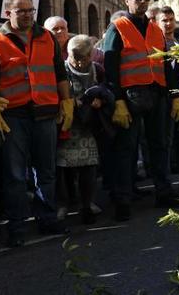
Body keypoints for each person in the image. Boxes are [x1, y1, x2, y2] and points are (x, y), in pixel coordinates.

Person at [0, 0, 74, 247]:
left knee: (46, 171)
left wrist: (67, 102)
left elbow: (59, 72)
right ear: (7, 13)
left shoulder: (47, 37)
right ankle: (17, 226)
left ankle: (47, 219)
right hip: (13, 115)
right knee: (14, 175)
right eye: (21, 11)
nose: (28, 15)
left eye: (30, 10)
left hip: (45, 112)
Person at [102, 0, 179, 222]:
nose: (142, 1)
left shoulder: (155, 30)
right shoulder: (117, 28)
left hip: (157, 94)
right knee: (126, 149)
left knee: (160, 145)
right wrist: (117, 100)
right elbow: (110, 69)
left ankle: (164, 193)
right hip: (131, 96)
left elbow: (165, 66)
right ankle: (123, 200)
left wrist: (175, 96)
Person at [57, 35, 110, 225]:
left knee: (89, 166)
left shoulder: (98, 70)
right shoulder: (61, 69)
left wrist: (101, 99)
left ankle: (87, 203)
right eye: (75, 58)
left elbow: (108, 89)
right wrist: (71, 103)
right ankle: (63, 203)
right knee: (63, 167)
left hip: (89, 127)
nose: (80, 63)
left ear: (92, 54)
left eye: (85, 57)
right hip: (66, 125)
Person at [156, 6, 179, 191]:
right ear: (157, 22)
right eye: (164, 20)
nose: (169, 24)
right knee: (165, 143)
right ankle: (166, 185)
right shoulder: (154, 44)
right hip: (164, 101)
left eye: (171, 19)